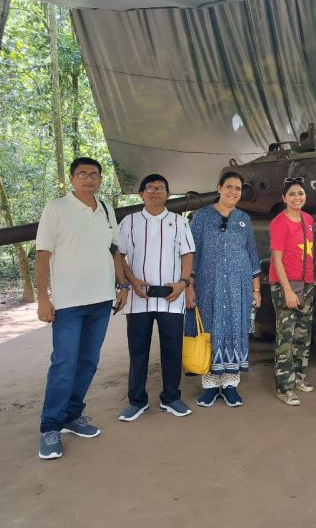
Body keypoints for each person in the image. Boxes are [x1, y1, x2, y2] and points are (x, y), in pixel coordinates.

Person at [34, 157, 128, 460]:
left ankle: (72, 415)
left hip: (101, 299)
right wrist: (43, 299)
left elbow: (113, 250)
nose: (89, 179)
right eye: (83, 174)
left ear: (100, 179)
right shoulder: (56, 208)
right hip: (68, 302)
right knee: (64, 363)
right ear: (72, 178)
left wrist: (122, 286)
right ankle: (50, 426)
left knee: (88, 361)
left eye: (94, 175)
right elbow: (42, 255)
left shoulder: (105, 209)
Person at [116, 174, 195, 422]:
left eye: (160, 188)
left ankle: (171, 398)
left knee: (172, 350)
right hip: (139, 298)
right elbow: (120, 255)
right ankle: (137, 401)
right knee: (138, 350)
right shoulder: (129, 222)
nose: (155, 192)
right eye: (149, 188)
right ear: (141, 194)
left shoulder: (178, 221)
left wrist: (183, 283)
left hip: (172, 297)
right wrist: (131, 281)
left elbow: (188, 254)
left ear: (168, 194)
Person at [186, 171, 261, 407]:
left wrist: (256, 290)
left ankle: (230, 384)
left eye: (238, 188)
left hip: (239, 286)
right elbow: (192, 253)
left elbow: (252, 255)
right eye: (229, 187)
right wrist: (190, 284)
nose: (233, 192)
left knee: (235, 330)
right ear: (219, 188)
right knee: (211, 329)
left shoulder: (244, 219)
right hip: (209, 285)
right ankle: (209, 385)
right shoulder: (201, 217)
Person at [270, 179, 316, 406]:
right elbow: (276, 259)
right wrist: (287, 289)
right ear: (284, 198)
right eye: (292, 194)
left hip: (306, 284)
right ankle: (284, 387)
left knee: (303, 334)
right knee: (286, 336)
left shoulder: (307, 219)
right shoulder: (280, 222)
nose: (297, 197)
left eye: (300, 193)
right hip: (285, 285)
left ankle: (298, 376)